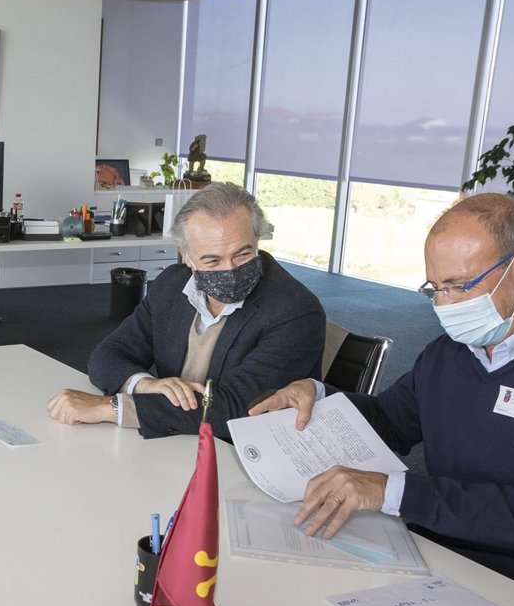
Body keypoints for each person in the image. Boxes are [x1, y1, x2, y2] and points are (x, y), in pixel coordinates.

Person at [250, 193, 514, 606]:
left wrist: (397, 493)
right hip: (440, 565)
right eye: (435, 288)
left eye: (459, 286)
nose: (444, 305)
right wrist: (317, 396)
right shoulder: (451, 353)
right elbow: (390, 421)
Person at [48, 182, 325, 441]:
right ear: (187, 256)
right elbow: (108, 354)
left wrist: (111, 408)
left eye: (243, 254)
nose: (230, 270)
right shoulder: (172, 284)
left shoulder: (295, 311)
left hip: (236, 451)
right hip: (173, 442)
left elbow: (235, 409)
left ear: (257, 240)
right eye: (212, 260)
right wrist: (144, 384)